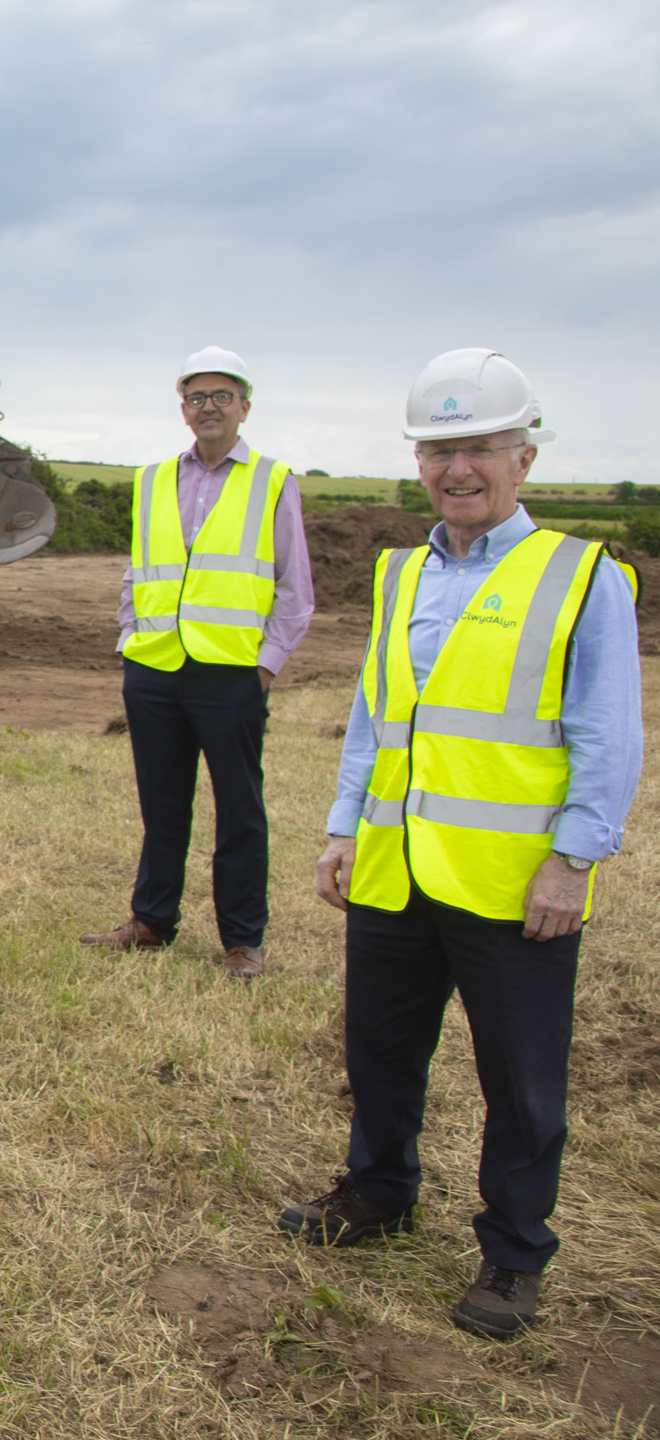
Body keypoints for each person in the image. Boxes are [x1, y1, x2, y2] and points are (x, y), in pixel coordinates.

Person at [280, 349, 641, 1342]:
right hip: (396, 873)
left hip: (512, 883)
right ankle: (379, 1192)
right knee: (380, 1051)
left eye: (479, 447)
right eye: (439, 451)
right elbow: (373, 719)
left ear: (523, 456)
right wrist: (343, 828)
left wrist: (573, 860)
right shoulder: (401, 574)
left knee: (520, 1081)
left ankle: (513, 1252)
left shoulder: (582, 577)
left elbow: (607, 735)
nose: (458, 469)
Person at [85, 346, 312, 979]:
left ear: (244, 406)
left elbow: (295, 590)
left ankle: (242, 940)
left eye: (220, 396)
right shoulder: (153, 478)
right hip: (154, 669)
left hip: (231, 673)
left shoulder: (273, 480)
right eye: (196, 397)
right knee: (162, 804)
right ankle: (152, 921)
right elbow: (139, 569)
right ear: (182, 409)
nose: (207, 407)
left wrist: (263, 668)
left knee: (239, 810)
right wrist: (130, 640)